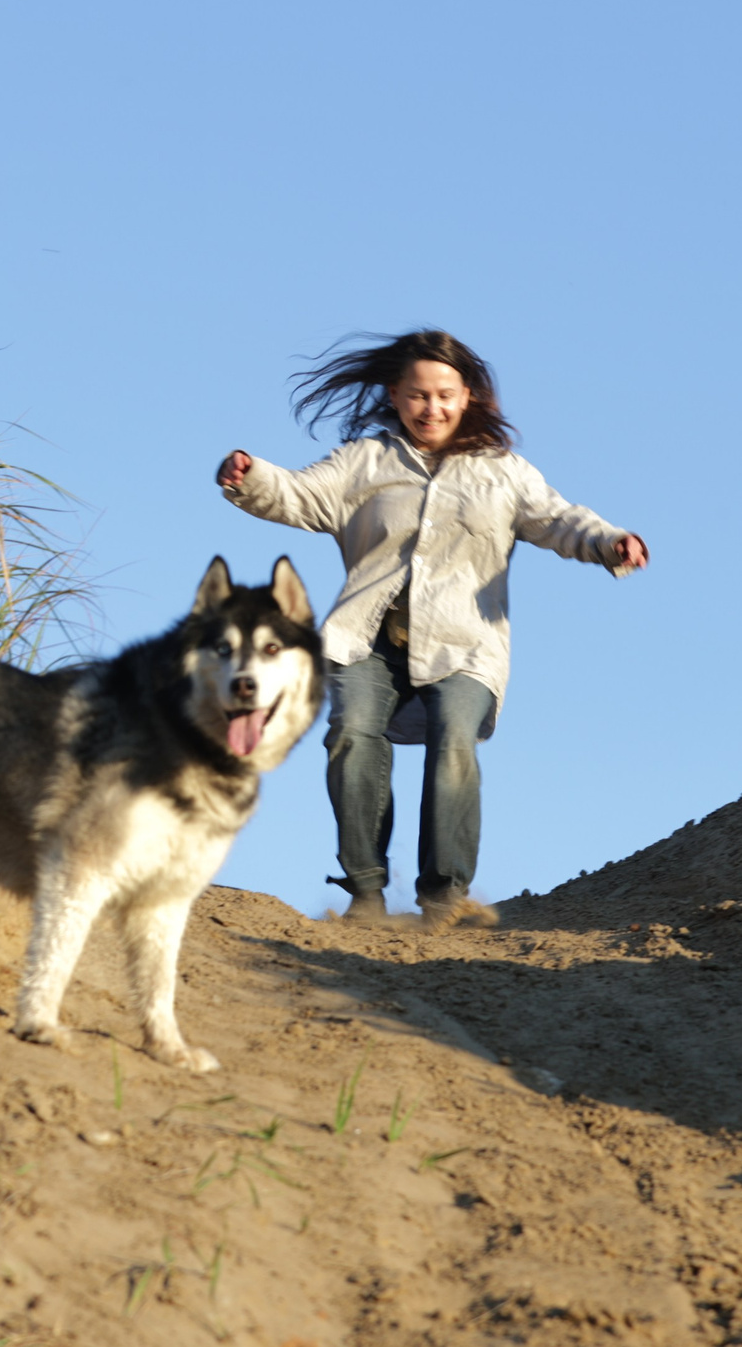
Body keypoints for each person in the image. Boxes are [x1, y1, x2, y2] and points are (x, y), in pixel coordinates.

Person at [216, 329, 645, 930]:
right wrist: (250, 475)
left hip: (465, 644)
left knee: (453, 740)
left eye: (445, 394)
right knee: (351, 733)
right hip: (366, 642)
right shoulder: (363, 462)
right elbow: (297, 494)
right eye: (417, 395)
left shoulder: (503, 472)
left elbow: (558, 519)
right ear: (394, 394)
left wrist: (608, 543)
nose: (431, 408)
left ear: (467, 395)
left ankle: (445, 895)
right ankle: (364, 889)